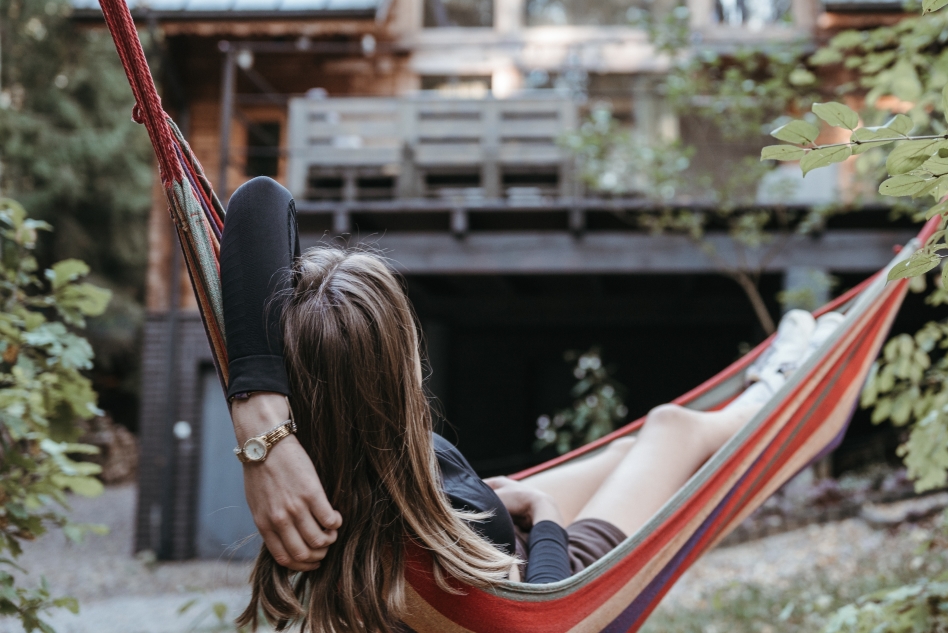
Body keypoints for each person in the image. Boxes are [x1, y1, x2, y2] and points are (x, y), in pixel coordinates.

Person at [221, 177, 839, 633]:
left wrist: (260, 420)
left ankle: (768, 388)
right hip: (549, 573)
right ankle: (782, 385)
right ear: (395, 374)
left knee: (632, 450)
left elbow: (258, 203)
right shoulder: (420, 568)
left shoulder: (313, 458)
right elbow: (542, 622)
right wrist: (543, 514)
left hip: (449, 515)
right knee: (672, 431)